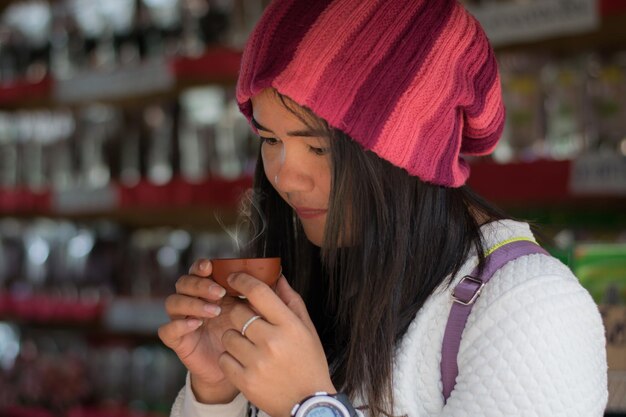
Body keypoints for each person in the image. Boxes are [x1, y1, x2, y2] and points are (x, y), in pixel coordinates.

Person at [158, 1, 608, 416]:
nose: (285, 178)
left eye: (318, 148)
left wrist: (310, 405)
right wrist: (219, 390)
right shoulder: (328, 275)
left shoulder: (532, 309)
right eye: (271, 140)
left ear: (409, 153)